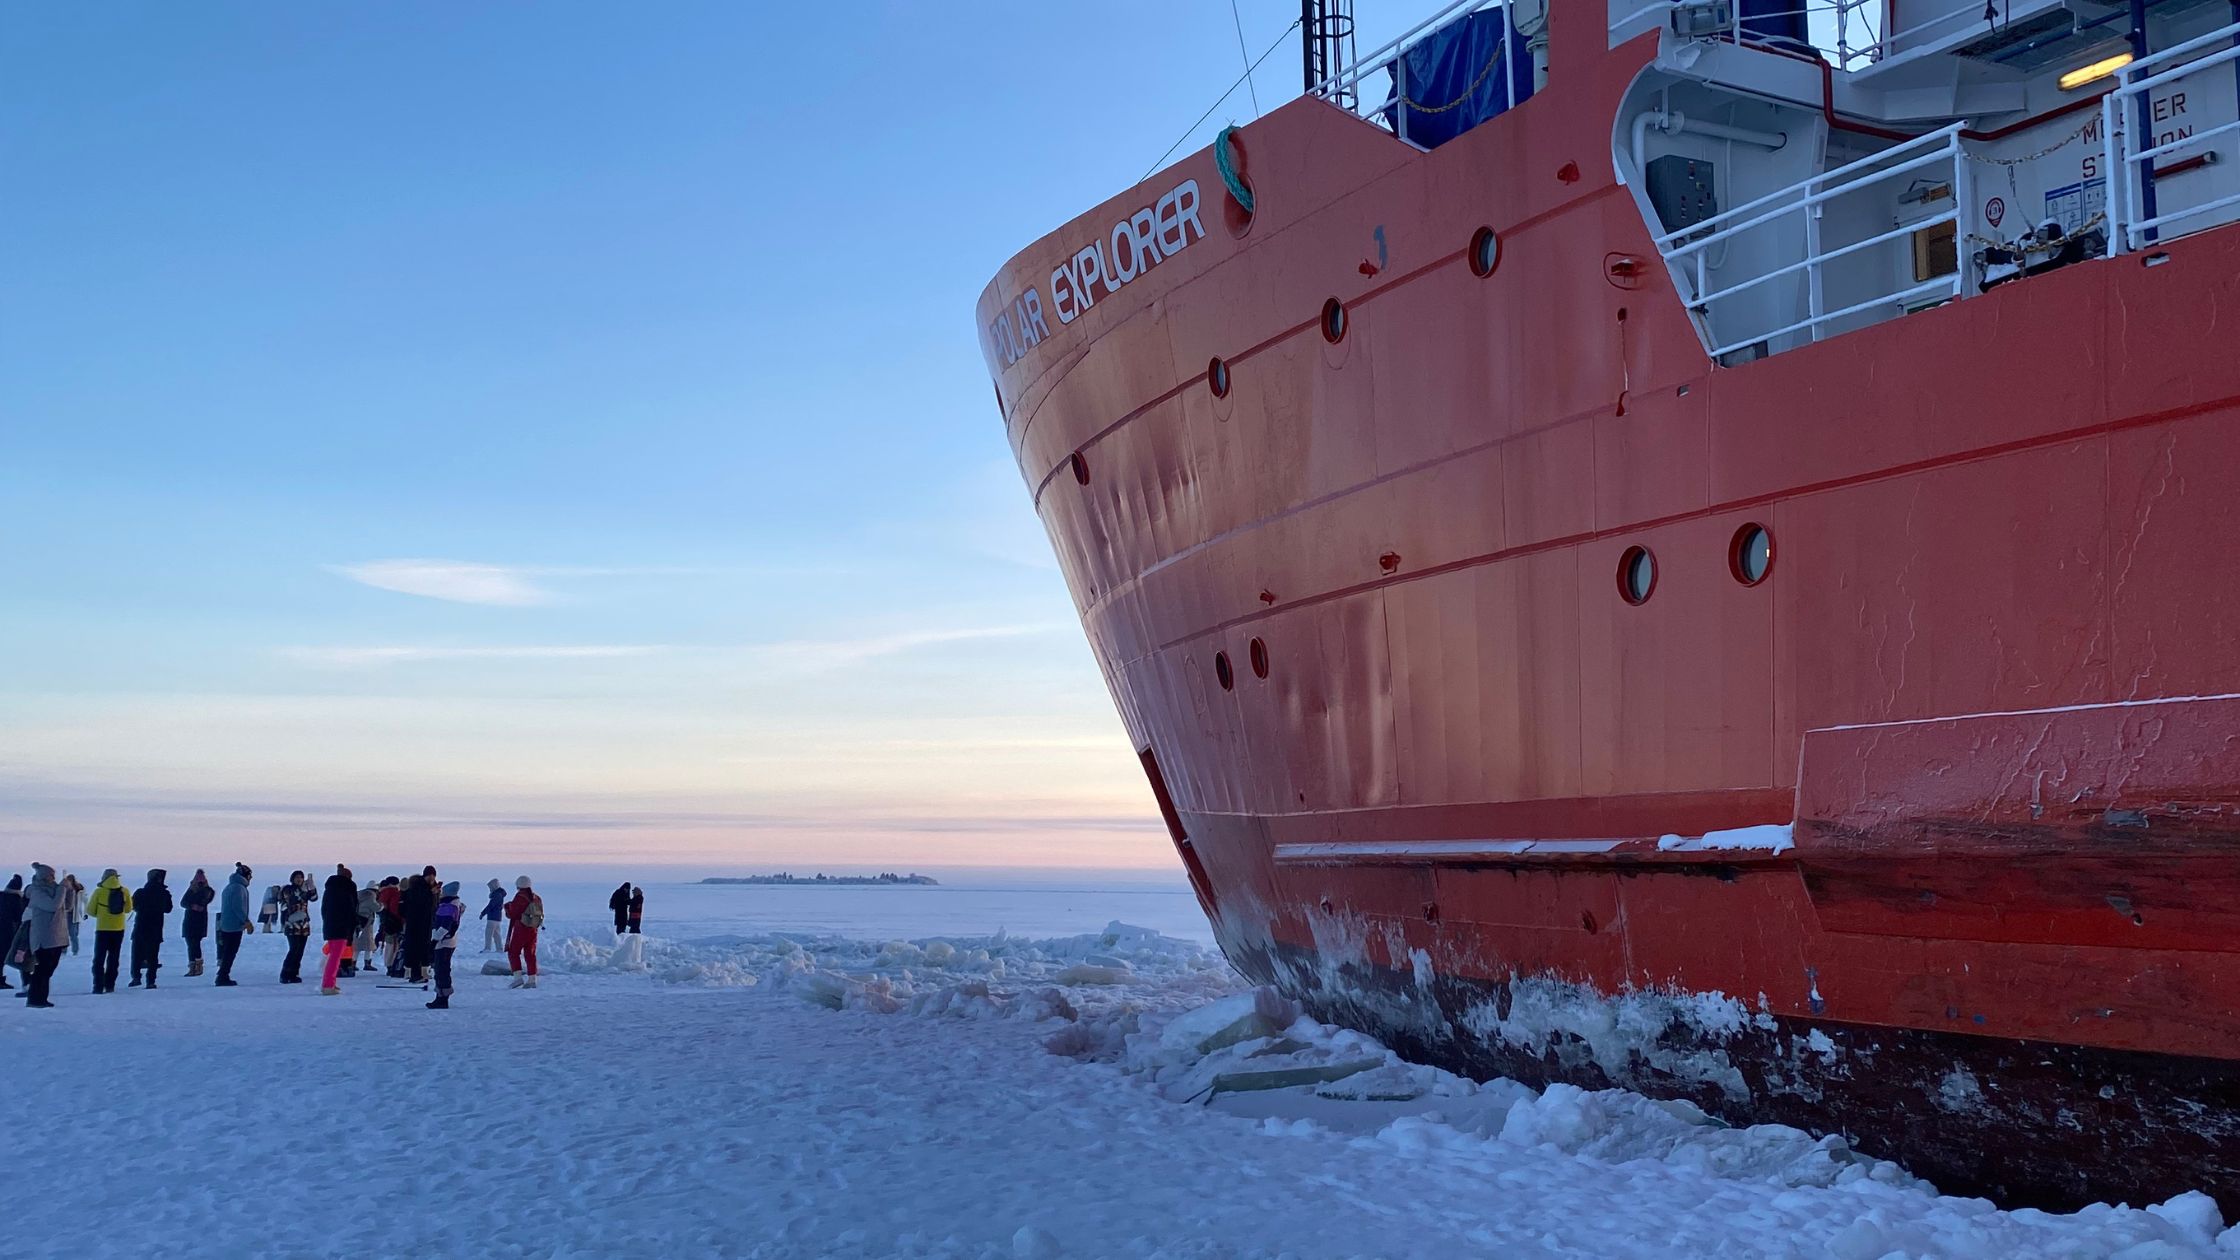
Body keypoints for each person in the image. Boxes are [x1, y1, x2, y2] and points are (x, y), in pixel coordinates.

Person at [22, 863, 68, 1008]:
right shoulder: (36, 892)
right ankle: (35, 999)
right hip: (44, 938)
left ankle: (41, 998)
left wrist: (70, 890)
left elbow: (67, 906)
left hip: (56, 937)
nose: (53, 878)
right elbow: (53, 906)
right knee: (42, 969)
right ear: (43, 877)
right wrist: (62, 888)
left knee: (48, 970)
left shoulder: (54, 889)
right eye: (50, 875)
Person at [86, 868, 133, 994]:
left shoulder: (99, 891)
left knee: (99, 958)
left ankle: (98, 986)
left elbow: (90, 911)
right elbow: (128, 909)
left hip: (102, 928)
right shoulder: (124, 891)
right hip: (118, 929)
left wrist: (102, 914)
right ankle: (110, 985)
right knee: (113, 958)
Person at [129, 868, 173, 988]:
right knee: (153, 955)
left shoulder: (140, 892)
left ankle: (136, 977)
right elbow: (168, 909)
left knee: (136, 954)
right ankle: (151, 981)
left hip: (140, 926)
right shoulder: (164, 893)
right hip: (156, 928)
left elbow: (134, 906)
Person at [319, 865, 358, 995]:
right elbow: (351, 911)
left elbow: (324, 910)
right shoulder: (347, 890)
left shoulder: (329, 890)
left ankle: (330, 983)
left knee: (334, 956)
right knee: (335, 957)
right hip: (342, 927)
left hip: (330, 926)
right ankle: (328, 985)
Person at [427, 881, 464, 1009]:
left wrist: (434, 940)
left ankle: (442, 998)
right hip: (448, 942)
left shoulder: (448, 907)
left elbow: (444, 926)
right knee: (442, 969)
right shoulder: (454, 905)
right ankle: (441, 996)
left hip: (443, 943)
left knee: (441, 970)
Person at [215, 863, 252, 986]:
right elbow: (238, 907)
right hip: (234, 925)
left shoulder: (230, 887)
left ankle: (222, 974)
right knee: (230, 952)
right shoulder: (238, 888)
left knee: (227, 951)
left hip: (227, 924)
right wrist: (246, 921)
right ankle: (222, 976)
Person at [401, 866, 437, 985]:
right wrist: (431, 894)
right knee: (416, 947)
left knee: (423, 947)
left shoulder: (428, 888)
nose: (432, 878)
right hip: (417, 923)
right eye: (430, 875)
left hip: (425, 923)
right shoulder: (418, 888)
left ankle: (420, 973)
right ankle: (415, 974)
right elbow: (420, 904)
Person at [504, 875, 542, 989]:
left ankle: (518, 978)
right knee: (530, 954)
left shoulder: (520, 897)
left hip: (521, 928)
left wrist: (507, 907)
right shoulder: (536, 898)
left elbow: (513, 914)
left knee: (513, 952)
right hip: (533, 929)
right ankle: (532, 979)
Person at [278, 870, 314, 984]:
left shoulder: (304, 889)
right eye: (297, 877)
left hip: (303, 925)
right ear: (292, 879)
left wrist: (311, 887)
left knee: (300, 951)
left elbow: (314, 898)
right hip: (292, 924)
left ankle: (294, 973)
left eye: (301, 877)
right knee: (294, 949)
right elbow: (293, 899)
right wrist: (304, 890)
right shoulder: (288, 889)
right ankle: (285, 974)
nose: (299, 879)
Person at [179, 870, 214, 977]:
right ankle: (192, 966)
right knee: (190, 944)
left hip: (199, 922)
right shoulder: (191, 890)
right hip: (189, 921)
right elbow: (183, 902)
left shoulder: (208, 891)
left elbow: (203, 901)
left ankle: (198, 966)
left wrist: (193, 903)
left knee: (195, 944)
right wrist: (192, 905)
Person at [376, 877, 404, 977]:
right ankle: (392, 965)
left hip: (385, 922)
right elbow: (395, 909)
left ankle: (388, 965)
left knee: (389, 944)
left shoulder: (382, 893)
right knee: (395, 945)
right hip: (394, 922)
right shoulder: (395, 893)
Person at [0, 874, 22, 991]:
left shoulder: (1, 896)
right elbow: (18, 917)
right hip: (6, 931)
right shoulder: (15, 899)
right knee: (2, 956)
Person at [353, 882, 379, 977]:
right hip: (367, 921)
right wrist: (382, 905)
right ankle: (367, 963)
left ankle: (353, 963)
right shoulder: (371, 895)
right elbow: (375, 907)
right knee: (368, 944)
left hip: (358, 920)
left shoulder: (359, 894)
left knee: (357, 943)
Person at [61, 872, 85, 955]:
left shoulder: (69, 890)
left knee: (69, 933)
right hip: (75, 913)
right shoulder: (78, 889)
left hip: (70, 913)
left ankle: (70, 951)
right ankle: (73, 950)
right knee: (72, 933)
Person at [480, 879, 505, 953]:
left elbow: (490, 906)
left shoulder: (496, 895)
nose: (490, 889)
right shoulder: (500, 894)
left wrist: (482, 913)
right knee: (496, 934)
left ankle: (487, 948)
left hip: (492, 918)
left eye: (490, 887)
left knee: (489, 933)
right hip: (497, 917)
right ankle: (499, 949)